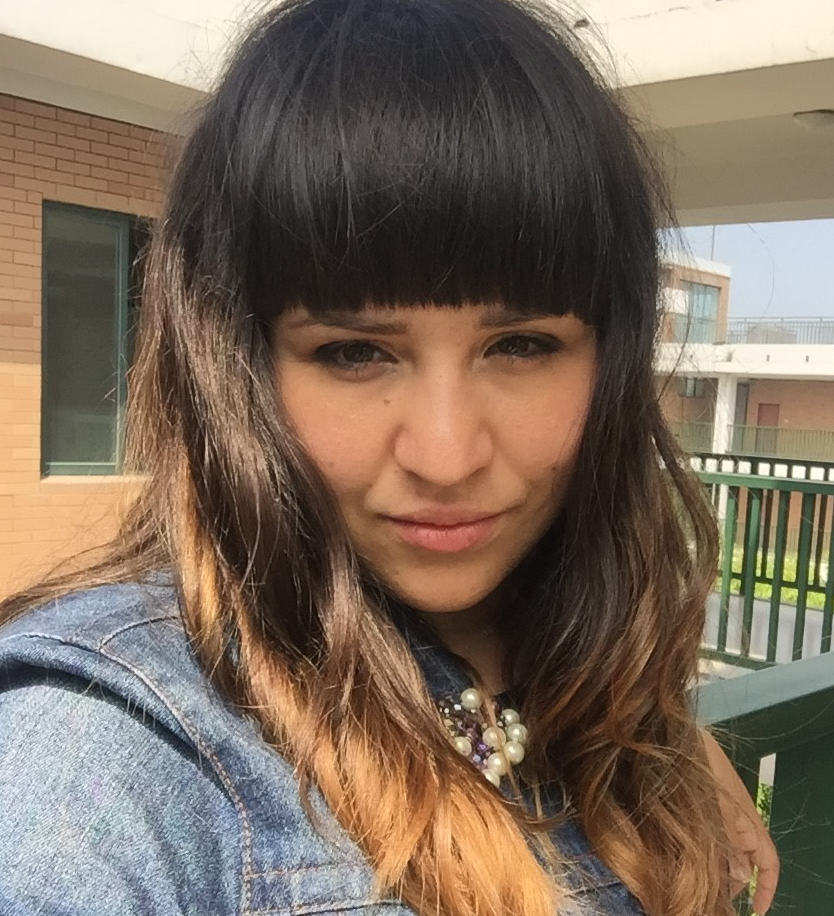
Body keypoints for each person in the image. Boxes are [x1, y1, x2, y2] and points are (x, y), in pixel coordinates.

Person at [0, 0, 777, 914]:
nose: (445, 456)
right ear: (234, 364)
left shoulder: (589, 686)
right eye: (352, 353)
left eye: (522, 345)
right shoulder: (102, 745)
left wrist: (644, 736)